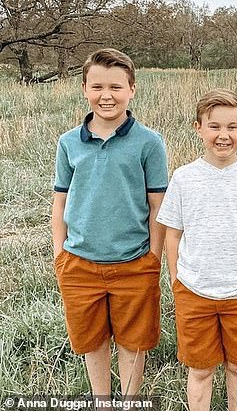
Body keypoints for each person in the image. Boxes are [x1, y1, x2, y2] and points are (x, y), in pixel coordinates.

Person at [52, 48, 168, 400]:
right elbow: (60, 203)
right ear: (85, 88)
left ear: (132, 89)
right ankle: (102, 402)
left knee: (133, 342)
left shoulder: (149, 142)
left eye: (116, 87)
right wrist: (60, 255)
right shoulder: (69, 143)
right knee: (93, 340)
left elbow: (157, 205)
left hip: (134, 262)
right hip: (80, 262)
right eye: (98, 86)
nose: (107, 96)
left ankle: (130, 403)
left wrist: (153, 258)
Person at [156, 89, 237, 411]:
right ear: (199, 128)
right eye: (214, 126)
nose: (223, 135)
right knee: (200, 368)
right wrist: (176, 281)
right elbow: (173, 234)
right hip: (195, 290)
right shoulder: (184, 178)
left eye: (232, 127)